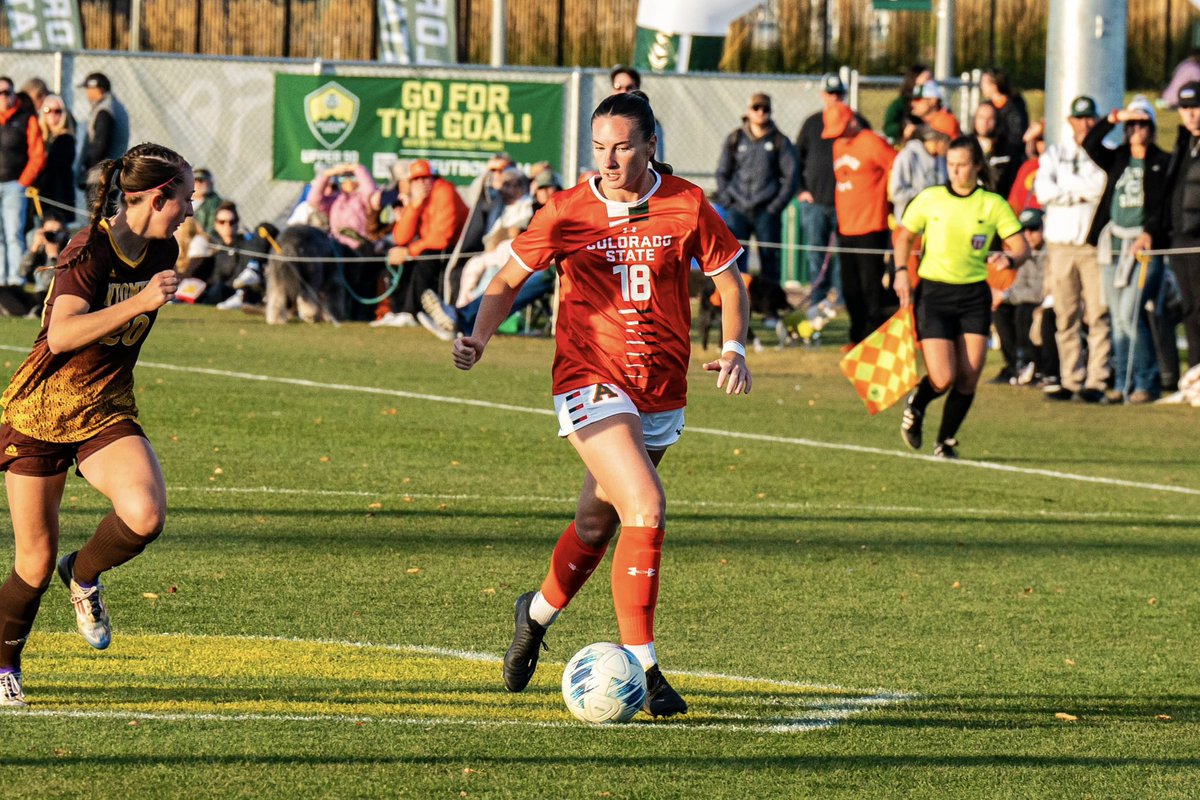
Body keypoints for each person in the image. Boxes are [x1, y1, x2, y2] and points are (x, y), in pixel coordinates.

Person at [452, 91, 750, 718]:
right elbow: (506, 280)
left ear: (650, 146)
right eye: (598, 148)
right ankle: (646, 668)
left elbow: (729, 281)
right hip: (589, 377)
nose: (609, 161)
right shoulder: (567, 209)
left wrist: (734, 347)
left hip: (660, 388)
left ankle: (535, 614)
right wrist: (479, 336)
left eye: (622, 147)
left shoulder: (687, 203)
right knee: (646, 504)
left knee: (597, 522)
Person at [0, 142, 189, 707]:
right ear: (156, 197)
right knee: (32, 563)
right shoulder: (88, 249)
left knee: (145, 514)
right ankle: (4, 663)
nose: (190, 210)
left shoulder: (164, 248)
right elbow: (61, 335)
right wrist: (140, 302)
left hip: (105, 407)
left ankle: (82, 576)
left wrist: (144, 297)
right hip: (41, 411)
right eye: (186, 198)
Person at [895, 137, 1028, 459]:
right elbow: (904, 236)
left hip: (973, 296)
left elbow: (1021, 246)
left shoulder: (991, 204)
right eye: (950, 165)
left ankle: (945, 440)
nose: (954, 171)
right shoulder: (931, 198)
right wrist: (900, 271)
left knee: (968, 377)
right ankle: (917, 403)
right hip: (934, 294)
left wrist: (1011, 259)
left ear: (977, 166)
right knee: (943, 377)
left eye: (962, 165)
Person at [1084, 96, 1171, 403]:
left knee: (1129, 313)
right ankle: (1122, 382)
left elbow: (1164, 206)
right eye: (1132, 124)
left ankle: (1147, 381)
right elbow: (1090, 144)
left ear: (1152, 127)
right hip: (1114, 246)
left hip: (1143, 248)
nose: (1136, 129)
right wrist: (1114, 117)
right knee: (1117, 318)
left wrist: (1150, 232)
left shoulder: (1162, 161)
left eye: (1142, 123)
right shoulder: (1118, 157)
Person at [1034, 95, 1109, 402]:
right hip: (1060, 245)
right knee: (1065, 315)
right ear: (1069, 121)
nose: (1084, 124)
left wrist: (1066, 190)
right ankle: (1071, 377)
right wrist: (1079, 194)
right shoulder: (1055, 153)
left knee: (1098, 314)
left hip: (1092, 246)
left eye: (1089, 118)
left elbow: (1102, 188)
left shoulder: (1105, 152)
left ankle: (1097, 379)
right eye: (1079, 118)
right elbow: (1043, 191)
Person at [794, 74, 870, 310]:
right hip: (816, 201)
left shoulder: (858, 122)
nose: (835, 98)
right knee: (816, 254)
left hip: (848, 204)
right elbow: (796, 159)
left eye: (839, 93)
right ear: (822, 95)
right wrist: (800, 190)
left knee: (844, 255)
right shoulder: (812, 123)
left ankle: (840, 300)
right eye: (830, 93)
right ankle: (818, 299)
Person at [825, 101, 897, 343]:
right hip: (846, 227)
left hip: (871, 226)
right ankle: (856, 336)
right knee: (850, 288)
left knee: (871, 287)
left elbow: (896, 166)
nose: (839, 136)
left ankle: (872, 337)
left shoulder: (872, 142)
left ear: (852, 121)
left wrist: (890, 200)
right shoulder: (838, 145)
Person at [374, 159, 468, 328]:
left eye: (425, 178)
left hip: (453, 250)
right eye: (416, 179)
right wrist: (415, 205)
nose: (421, 183)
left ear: (434, 178)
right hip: (429, 247)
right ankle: (397, 311)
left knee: (423, 257)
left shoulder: (444, 192)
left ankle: (412, 312)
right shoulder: (417, 198)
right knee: (395, 255)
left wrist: (409, 252)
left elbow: (442, 238)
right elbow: (401, 237)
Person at [715, 92, 798, 284]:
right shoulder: (735, 138)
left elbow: (791, 176)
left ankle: (770, 302)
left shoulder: (779, 140)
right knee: (733, 261)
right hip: (738, 209)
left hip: (766, 211)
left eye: (765, 109)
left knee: (770, 262)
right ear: (748, 111)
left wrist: (775, 207)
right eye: (756, 108)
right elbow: (722, 172)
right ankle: (737, 299)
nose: (761, 112)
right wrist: (728, 201)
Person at [1149, 80, 1200, 382]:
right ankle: (1194, 375)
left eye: (1196, 107)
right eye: (1185, 108)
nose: (1190, 114)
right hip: (1179, 241)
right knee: (1189, 311)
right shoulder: (1184, 144)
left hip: (1197, 243)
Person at [0, 77, 45, 287]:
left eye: (6, 92)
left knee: (13, 233)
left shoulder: (27, 117)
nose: (3, 97)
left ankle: (15, 280)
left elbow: (38, 155)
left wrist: (22, 182)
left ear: (13, 93)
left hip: (14, 185)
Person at [76, 73, 129, 197]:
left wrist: (86, 167)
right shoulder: (115, 106)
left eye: (88, 89)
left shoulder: (104, 111)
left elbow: (100, 145)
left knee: (100, 209)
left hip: (100, 177)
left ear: (98, 89)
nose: (87, 94)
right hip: (112, 174)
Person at [33, 94, 75, 226]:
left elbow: (54, 167)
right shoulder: (41, 138)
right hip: (40, 197)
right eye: (48, 110)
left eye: (57, 111)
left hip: (58, 198)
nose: (52, 114)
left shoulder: (65, 139)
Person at [609, 65, 664, 160]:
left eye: (629, 87)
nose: (623, 92)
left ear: (637, 89)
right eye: (618, 87)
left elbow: (656, 160)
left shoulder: (650, 124)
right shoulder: (603, 121)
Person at [979, 67, 1029, 169]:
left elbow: (1016, 137)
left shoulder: (1014, 107)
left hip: (1010, 162)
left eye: (984, 83)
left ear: (995, 85)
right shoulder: (987, 107)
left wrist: (995, 143)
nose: (982, 86)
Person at [883, 64, 932, 145]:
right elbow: (888, 129)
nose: (930, 82)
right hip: (905, 143)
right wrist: (903, 127)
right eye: (927, 78)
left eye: (931, 78)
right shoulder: (900, 103)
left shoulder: (935, 102)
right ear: (914, 79)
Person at [191, 168, 222, 235]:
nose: (198, 184)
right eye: (195, 180)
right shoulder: (182, 201)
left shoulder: (217, 204)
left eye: (201, 180)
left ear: (211, 183)